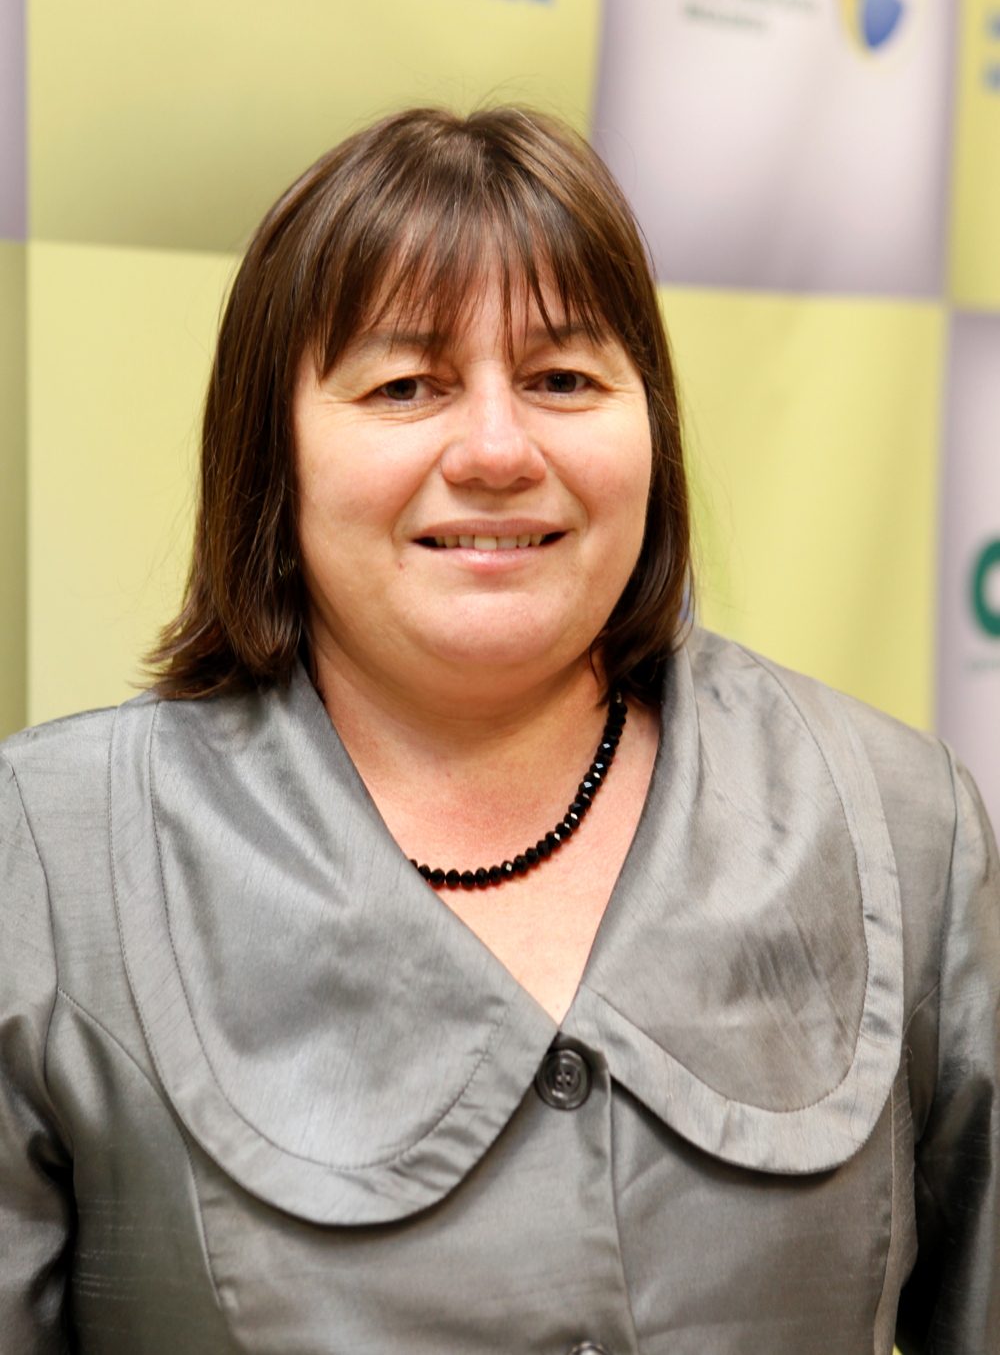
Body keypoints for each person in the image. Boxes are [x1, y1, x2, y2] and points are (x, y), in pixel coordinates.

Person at [1, 107, 997, 1355]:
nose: (494, 449)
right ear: (272, 453)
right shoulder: (48, 859)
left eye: (562, 379)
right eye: (404, 385)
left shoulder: (902, 826)